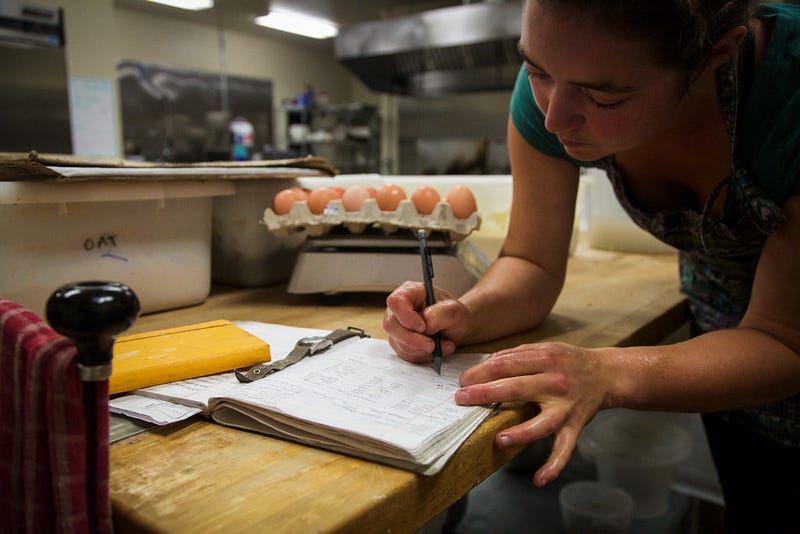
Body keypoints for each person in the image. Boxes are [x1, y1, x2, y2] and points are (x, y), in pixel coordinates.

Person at [383, 1, 800, 530]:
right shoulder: (564, 78)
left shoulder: (788, 94)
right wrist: (468, 312)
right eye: (536, 71)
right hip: (722, 347)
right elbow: (531, 261)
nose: (553, 117)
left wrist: (608, 371)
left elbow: (784, 340)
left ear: (716, 55)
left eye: (604, 97)